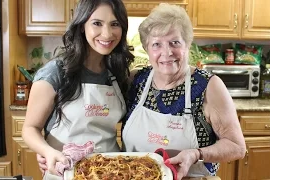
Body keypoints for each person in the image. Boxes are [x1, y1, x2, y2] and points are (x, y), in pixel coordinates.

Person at [121, 3, 246, 180]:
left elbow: (237, 147)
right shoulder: (136, 81)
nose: (167, 52)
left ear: (187, 45)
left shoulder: (209, 86)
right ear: (147, 49)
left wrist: (196, 154)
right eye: (156, 44)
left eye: (175, 42)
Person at [21, 0, 134, 179]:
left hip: (110, 172)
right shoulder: (55, 72)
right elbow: (29, 128)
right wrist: (47, 151)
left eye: (115, 24)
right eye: (97, 23)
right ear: (82, 26)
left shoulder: (118, 73)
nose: (107, 33)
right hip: (65, 171)